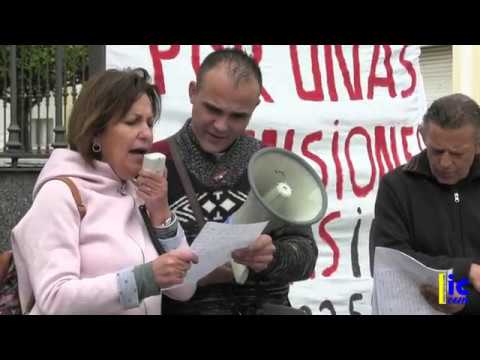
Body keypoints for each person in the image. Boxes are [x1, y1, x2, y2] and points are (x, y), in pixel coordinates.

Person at [10, 68, 198, 315]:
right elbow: (54, 299)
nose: (146, 133)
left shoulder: (139, 195)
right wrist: (144, 279)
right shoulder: (60, 193)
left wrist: (161, 211)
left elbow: (185, 290)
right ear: (96, 131)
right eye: (132, 122)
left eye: (150, 123)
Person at [151, 48, 318, 315]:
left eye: (238, 116)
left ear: (255, 108)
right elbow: (130, 261)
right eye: (212, 109)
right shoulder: (155, 162)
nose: (221, 125)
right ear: (193, 92)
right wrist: (191, 273)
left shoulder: (274, 166)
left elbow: (307, 256)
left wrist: (273, 257)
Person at [372, 93, 480, 314]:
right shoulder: (396, 186)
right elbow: (391, 264)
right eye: (436, 150)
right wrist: (463, 271)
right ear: (422, 135)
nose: (445, 162)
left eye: (457, 153)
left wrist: (464, 301)